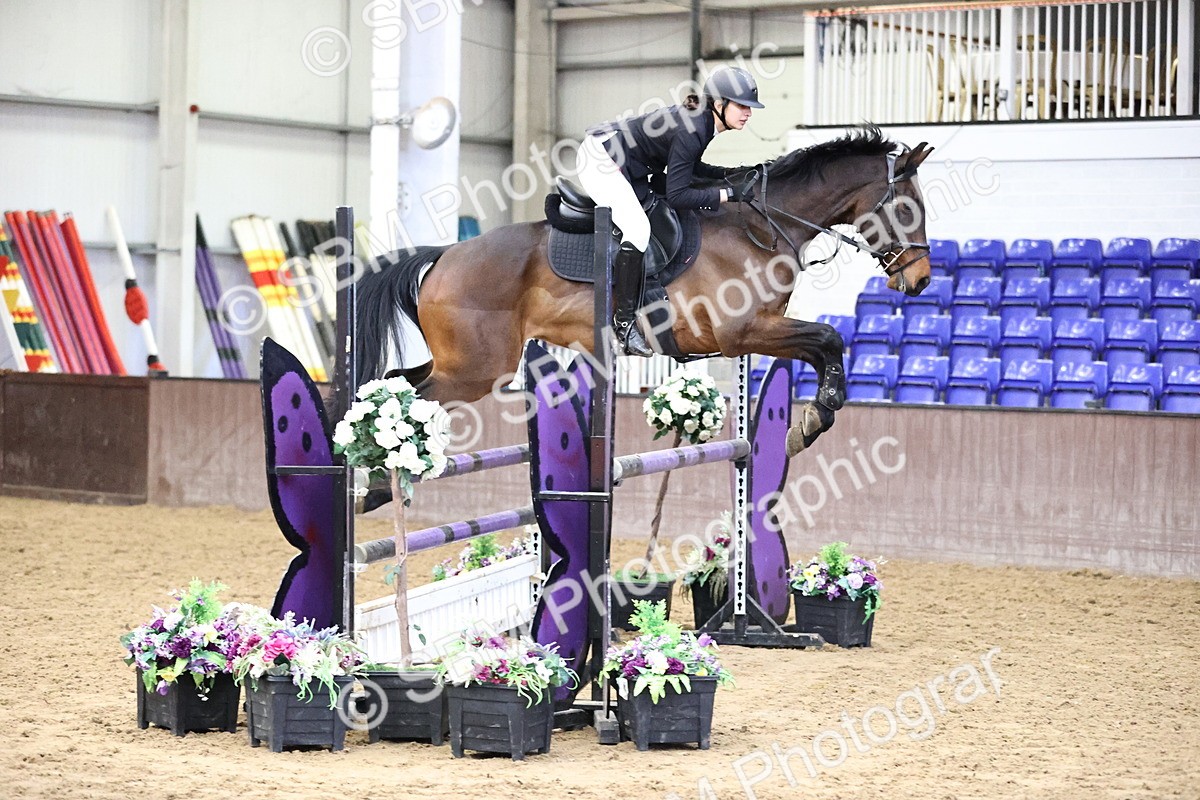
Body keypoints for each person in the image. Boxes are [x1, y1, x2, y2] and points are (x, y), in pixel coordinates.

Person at [576, 66, 765, 356]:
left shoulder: (703, 122)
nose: (748, 113)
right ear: (719, 103)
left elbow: (690, 167)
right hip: (601, 159)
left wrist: (731, 174)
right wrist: (727, 194)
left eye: (749, 107)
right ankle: (624, 325)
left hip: (629, 162)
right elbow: (678, 195)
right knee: (638, 230)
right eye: (742, 106)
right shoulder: (694, 128)